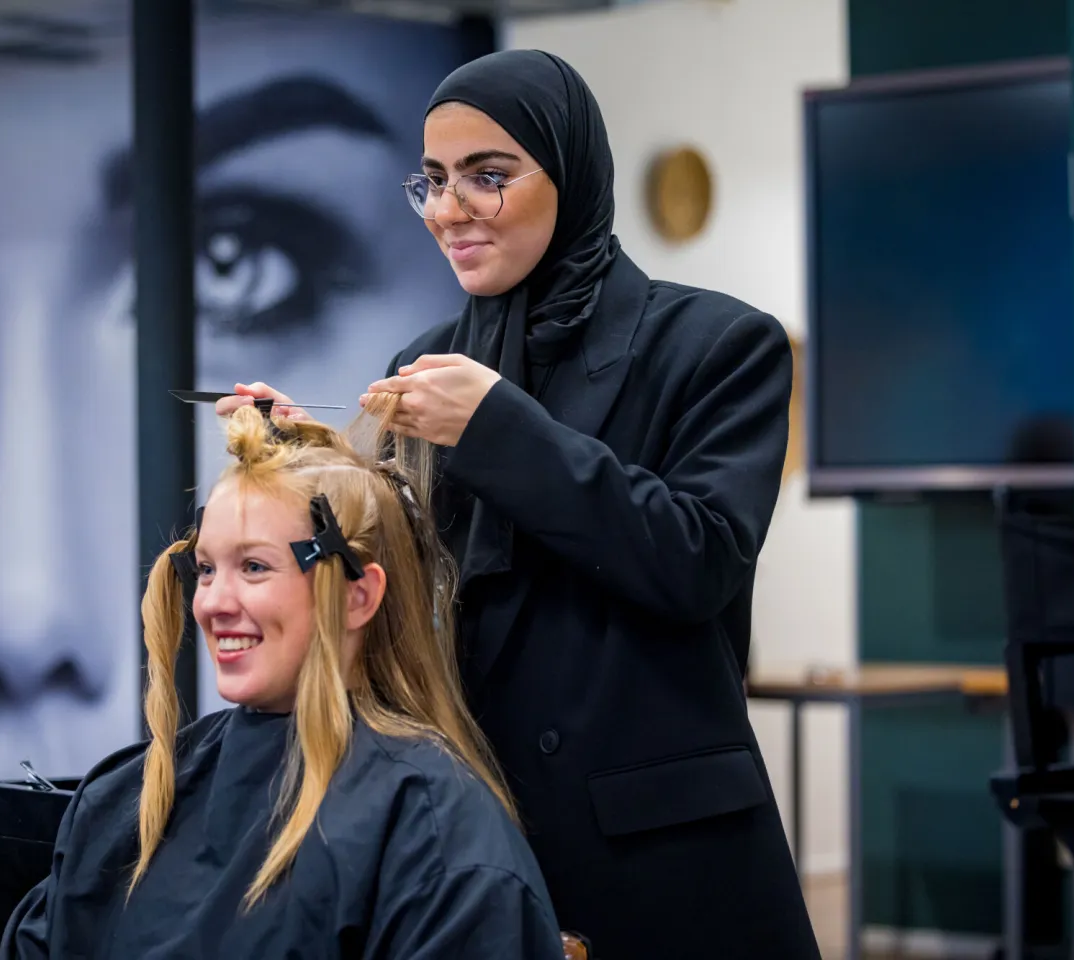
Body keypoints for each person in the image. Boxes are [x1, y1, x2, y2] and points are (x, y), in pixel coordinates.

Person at [0, 5, 480, 844]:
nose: (18, 615)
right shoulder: (120, 826)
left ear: (364, 588)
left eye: (237, 264)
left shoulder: (440, 847)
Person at [220, 49, 821, 959]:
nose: (447, 211)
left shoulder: (718, 345)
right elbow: (397, 571)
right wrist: (308, 456)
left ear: (570, 174)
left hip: (661, 855)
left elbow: (696, 561)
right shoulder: (423, 363)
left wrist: (501, 427)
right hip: (473, 832)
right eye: (430, 182)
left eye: (487, 178)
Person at [0, 400, 566, 959]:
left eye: (253, 567)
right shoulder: (122, 802)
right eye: (205, 569)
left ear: (357, 595)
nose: (214, 603)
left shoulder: (432, 833)